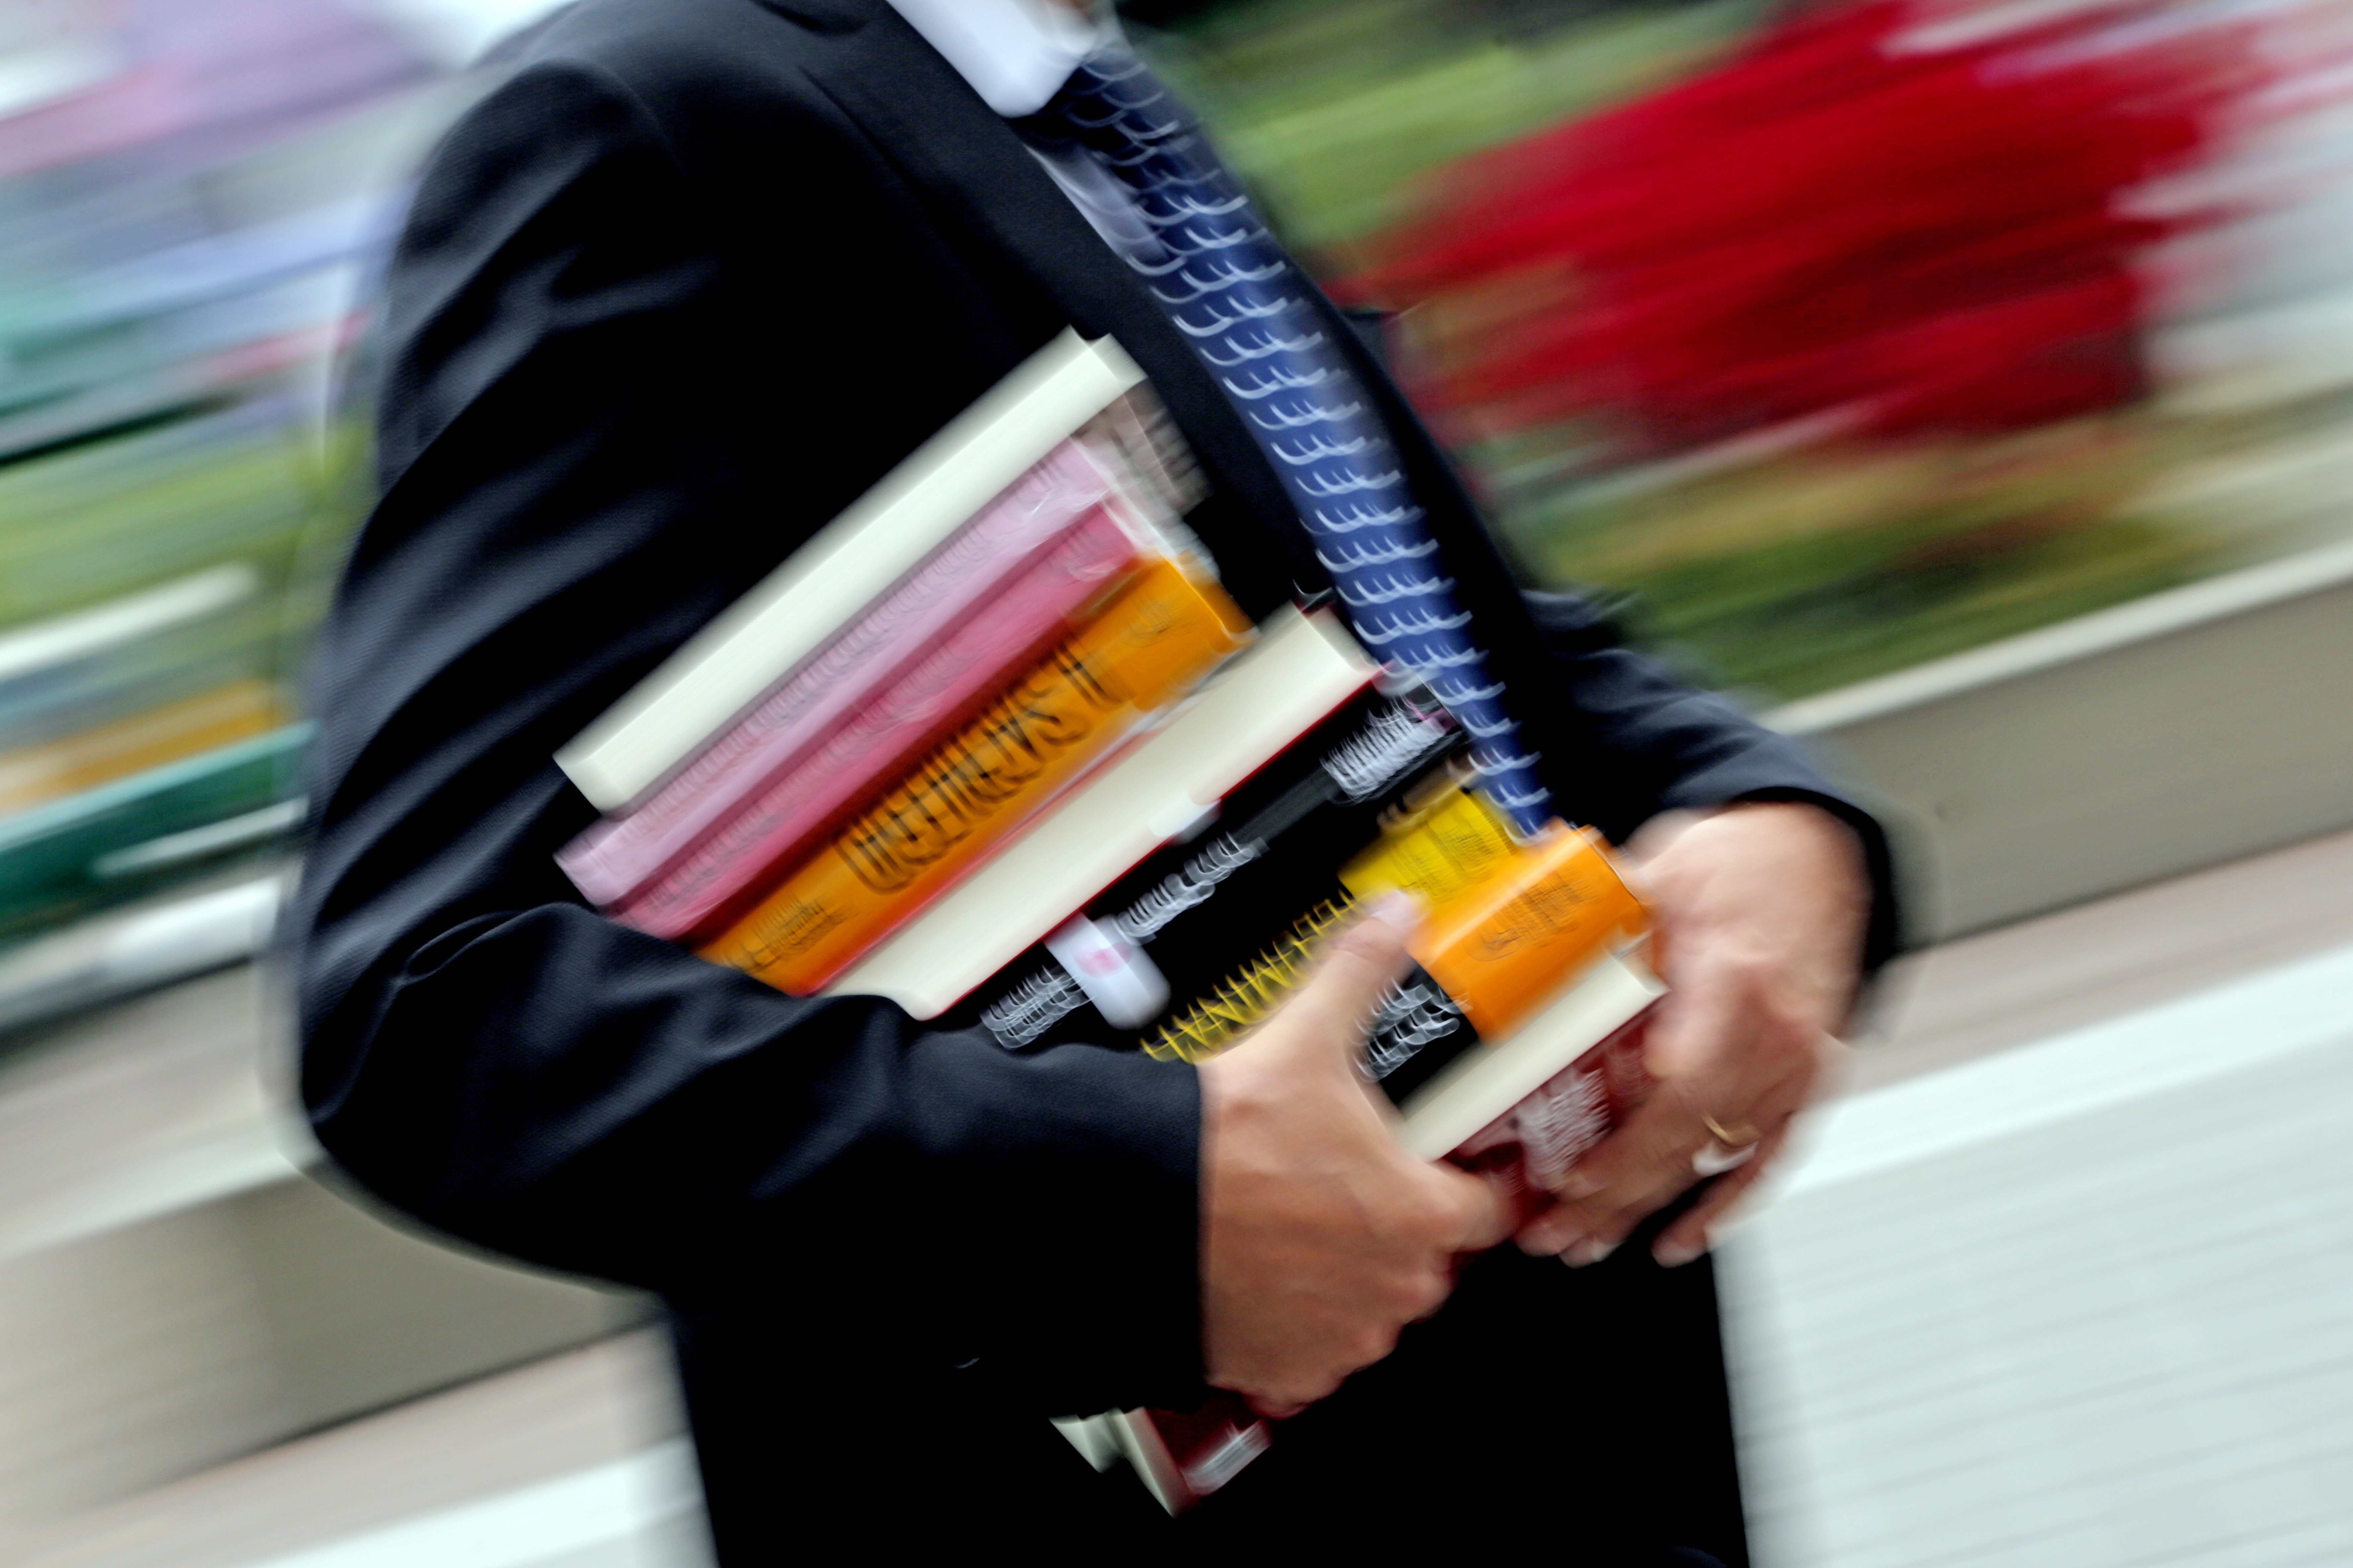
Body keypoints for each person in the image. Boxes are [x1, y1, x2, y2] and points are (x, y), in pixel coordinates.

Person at [288, 0, 1898, 1558]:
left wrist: (1770, 819)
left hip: (1574, 1429)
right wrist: (1144, 1198)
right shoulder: (644, 130)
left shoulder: (1098, 108)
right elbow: (426, 1003)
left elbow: (1434, 628)